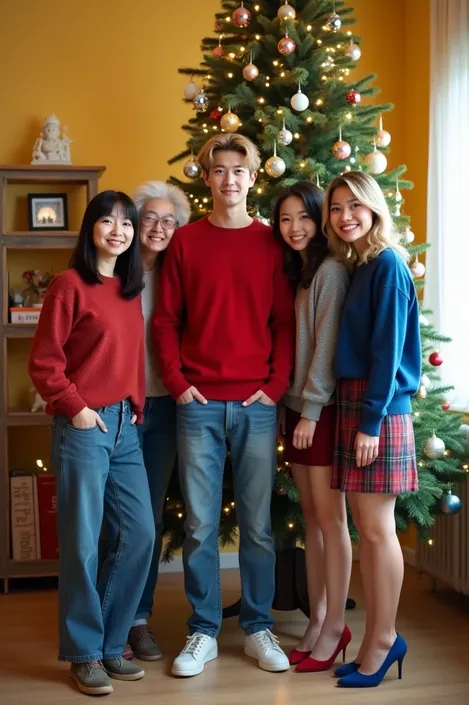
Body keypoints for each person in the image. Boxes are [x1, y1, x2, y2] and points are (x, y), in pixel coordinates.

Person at [152, 134, 295, 677]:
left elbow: (283, 323)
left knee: (258, 525)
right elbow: (165, 320)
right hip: (199, 403)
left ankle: (258, 627)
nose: (229, 179)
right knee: (198, 525)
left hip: (258, 403)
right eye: (220, 170)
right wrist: (177, 381)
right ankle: (203, 630)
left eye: (239, 170)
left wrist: (276, 386)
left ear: (253, 177)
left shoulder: (272, 243)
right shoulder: (186, 242)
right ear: (207, 177)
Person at [28, 191, 155, 697]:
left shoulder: (129, 289)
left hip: (126, 427)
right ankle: (84, 654)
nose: (118, 231)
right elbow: (44, 361)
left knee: (140, 534)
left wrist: (138, 404)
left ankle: (110, 643)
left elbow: (131, 356)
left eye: (127, 224)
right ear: (91, 229)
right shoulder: (68, 285)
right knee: (81, 545)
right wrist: (75, 407)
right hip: (84, 425)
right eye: (107, 221)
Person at [323, 172, 421, 688]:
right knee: (368, 529)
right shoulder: (360, 265)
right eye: (336, 208)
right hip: (359, 402)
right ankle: (376, 639)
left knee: (379, 531)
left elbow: (387, 352)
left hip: (377, 407)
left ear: (375, 208)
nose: (345, 216)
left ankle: (383, 641)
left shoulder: (387, 265)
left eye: (355, 206)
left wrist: (371, 422)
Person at [273, 181, 352, 673]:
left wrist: (312, 412)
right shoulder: (301, 271)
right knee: (312, 521)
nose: (294, 227)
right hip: (295, 408)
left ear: (319, 218)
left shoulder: (331, 271)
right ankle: (319, 615)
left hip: (316, 413)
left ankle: (335, 624)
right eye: (284, 219)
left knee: (331, 520)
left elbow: (325, 348)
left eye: (303, 217)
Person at [125, 180, 191, 661]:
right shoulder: (111, 271)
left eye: (169, 220)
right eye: (150, 217)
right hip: (118, 410)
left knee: (146, 518)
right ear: (134, 221)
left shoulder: (179, 276)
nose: (160, 227)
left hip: (165, 409)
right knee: (117, 521)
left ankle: (138, 619)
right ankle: (107, 618)